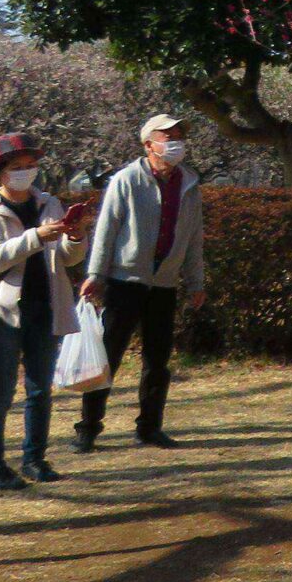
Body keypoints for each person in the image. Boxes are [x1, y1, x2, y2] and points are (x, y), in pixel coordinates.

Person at [0, 132, 92, 491]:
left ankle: (35, 459)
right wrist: (37, 236)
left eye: (31, 166)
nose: (26, 173)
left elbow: (68, 259)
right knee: (1, 392)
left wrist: (75, 236)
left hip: (45, 307)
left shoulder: (49, 203)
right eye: (17, 167)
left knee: (40, 390)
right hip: (4, 312)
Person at [77, 113, 207, 452]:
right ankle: (88, 427)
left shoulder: (189, 184)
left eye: (179, 135)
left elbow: (194, 238)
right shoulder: (126, 180)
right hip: (125, 281)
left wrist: (196, 282)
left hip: (165, 283)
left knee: (158, 361)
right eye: (167, 136)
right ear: (149, 143)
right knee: (109, 357)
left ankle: (150, 428)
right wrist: (95, 275)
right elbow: (106, 230)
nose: (175, 141)